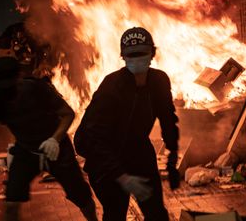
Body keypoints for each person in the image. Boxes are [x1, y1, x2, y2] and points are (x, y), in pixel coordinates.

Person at [74, 27, 180, 221]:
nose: (137, 59)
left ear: (152, 54)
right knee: (115, 214)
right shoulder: (112, 86)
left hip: (138, 150)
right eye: (131, 55)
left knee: (156, 213)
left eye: (142, 53)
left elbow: (168, 118)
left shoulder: (159, 81)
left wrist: (172, 156)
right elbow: (94, 138)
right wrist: (122, 177)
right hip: (105, 159)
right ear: (123, 57)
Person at [0, 56, 97, 221]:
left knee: (82, 197)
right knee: (11, 202)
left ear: (16, 82)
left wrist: (54, 139)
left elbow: (67, 114)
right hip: (26, 151)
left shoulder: (36, 89)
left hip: (57, 150)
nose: (4, 94)